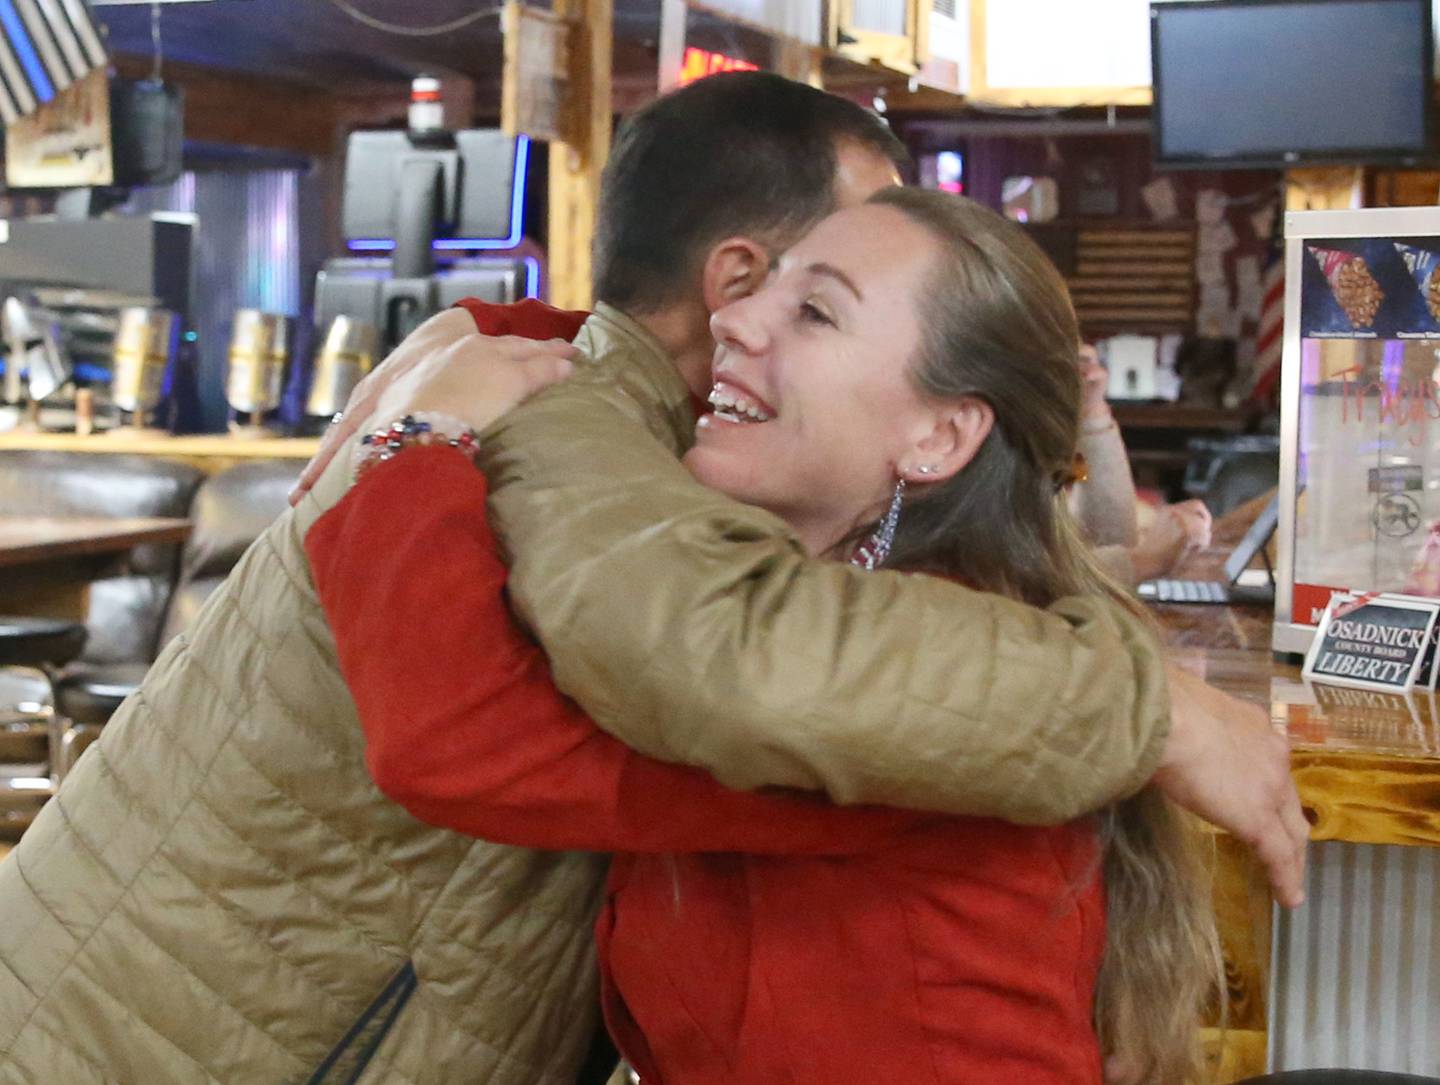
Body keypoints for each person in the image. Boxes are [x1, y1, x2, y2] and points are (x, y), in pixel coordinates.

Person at [0, 73, 1298, 1085]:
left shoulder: (562, 446)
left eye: (822, 306)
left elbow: (781, 659)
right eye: (786, 285)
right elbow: (518, 722)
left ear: (940, 430)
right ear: (731, 275)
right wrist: (1154, 706)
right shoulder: (547, 457)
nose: (754, 323)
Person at [306, 188, 1221, 1084]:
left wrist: (415, 444)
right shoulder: (841, 615)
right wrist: (495, 335)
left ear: (940, 437)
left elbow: (460, 739)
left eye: (816, 311)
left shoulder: (902, 673)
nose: (735, 319)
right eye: (763, 287)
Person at [1071, 343, 1214, 585]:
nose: (1094, 371)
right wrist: (1148, 560)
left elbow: (1110, 536)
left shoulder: (1074, 457)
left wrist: (1091, 413)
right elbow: (1034, 580)